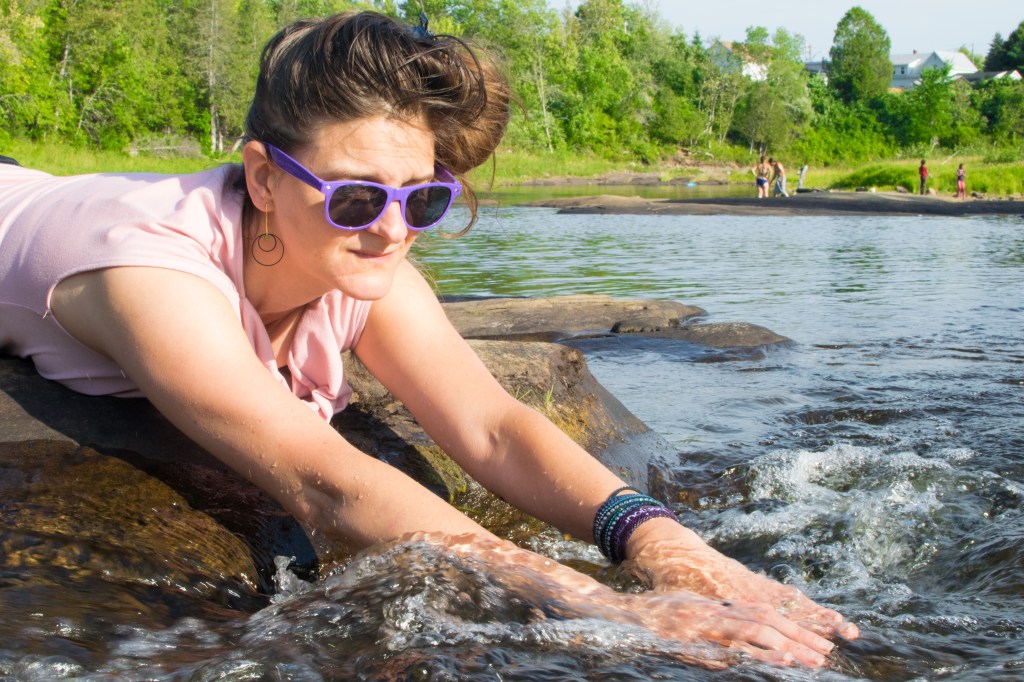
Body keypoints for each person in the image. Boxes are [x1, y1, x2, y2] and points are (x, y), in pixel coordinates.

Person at [0, 11, 857, 667]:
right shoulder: (152, 281)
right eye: (356, 197)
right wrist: (613, 610)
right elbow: (327, 483)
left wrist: (665, 544)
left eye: (423, 198)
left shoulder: (364, 257)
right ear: (262, 176)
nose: (392, 229)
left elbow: (491, 425)